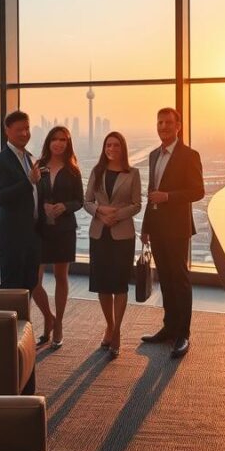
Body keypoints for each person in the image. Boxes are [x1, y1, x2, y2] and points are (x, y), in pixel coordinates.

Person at [140, 108, 204, 359]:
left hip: (177, 228)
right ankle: (169, 328)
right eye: (160, 122)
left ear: (179, 126)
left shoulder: (189, 155)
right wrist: (145, 226)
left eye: (168, 123)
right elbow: (150, 191)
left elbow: (197, 191)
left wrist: (167, 197)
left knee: (179, 279)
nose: (163, 127)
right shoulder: (154, 155)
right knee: (165, 279)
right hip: (156, 227)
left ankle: (183, 334)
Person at [84, 132, 141, 359]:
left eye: (116, 145)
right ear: (104, 148)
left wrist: (116, 215)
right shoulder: (97, 172)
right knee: (102, 284)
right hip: (99, 234)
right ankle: (109, 325)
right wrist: (99, 211)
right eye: (108, 145)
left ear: (123, 148)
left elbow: (137, 204)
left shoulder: (133, 173)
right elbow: (86, 201)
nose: (112, 148)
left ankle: (117, 332)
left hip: (122, 235)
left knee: (119, 285)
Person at [31, 126, 84, 348]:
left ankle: (59, 324)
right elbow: (31, 192)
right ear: (48, 142)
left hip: (64, 230)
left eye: (63, 139)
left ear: (68, 143)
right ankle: (48, 317)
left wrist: (65, 206)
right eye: (55, 139)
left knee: (61, 277)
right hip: (40, 229)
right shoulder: (38, 166)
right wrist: (40, 201)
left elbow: (79, 200)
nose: (59, 143)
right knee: (33, 280)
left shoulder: (73, 170)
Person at [0, 111, 42, 304]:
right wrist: (28, 182)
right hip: (11, 236)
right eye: (19, 129)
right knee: (11, 285)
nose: (24, 133)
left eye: (27, 128)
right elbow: (0, 197)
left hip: (31, 234)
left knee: (30, 282)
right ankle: (6, 329)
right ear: (7, 131)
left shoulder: (30, 158)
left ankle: (21, 327)